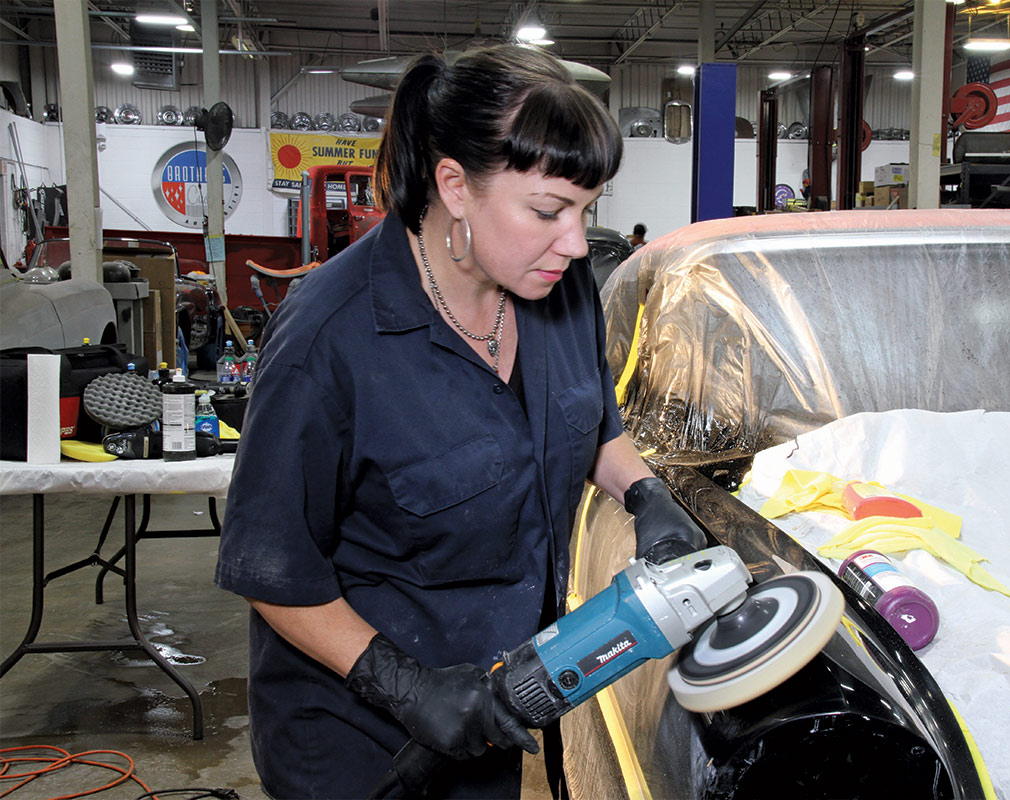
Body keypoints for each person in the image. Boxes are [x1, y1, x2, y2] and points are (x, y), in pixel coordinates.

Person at [214, 45, 706, 800]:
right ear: (454, 185)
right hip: (357, 736)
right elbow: (273, 568)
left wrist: (646, 496)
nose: (576, 242)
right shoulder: (330, 340)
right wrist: (406, 687)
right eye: (548, 211)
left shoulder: (558, 288)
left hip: (493, 705)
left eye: (587, 210)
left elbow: (592, 423)